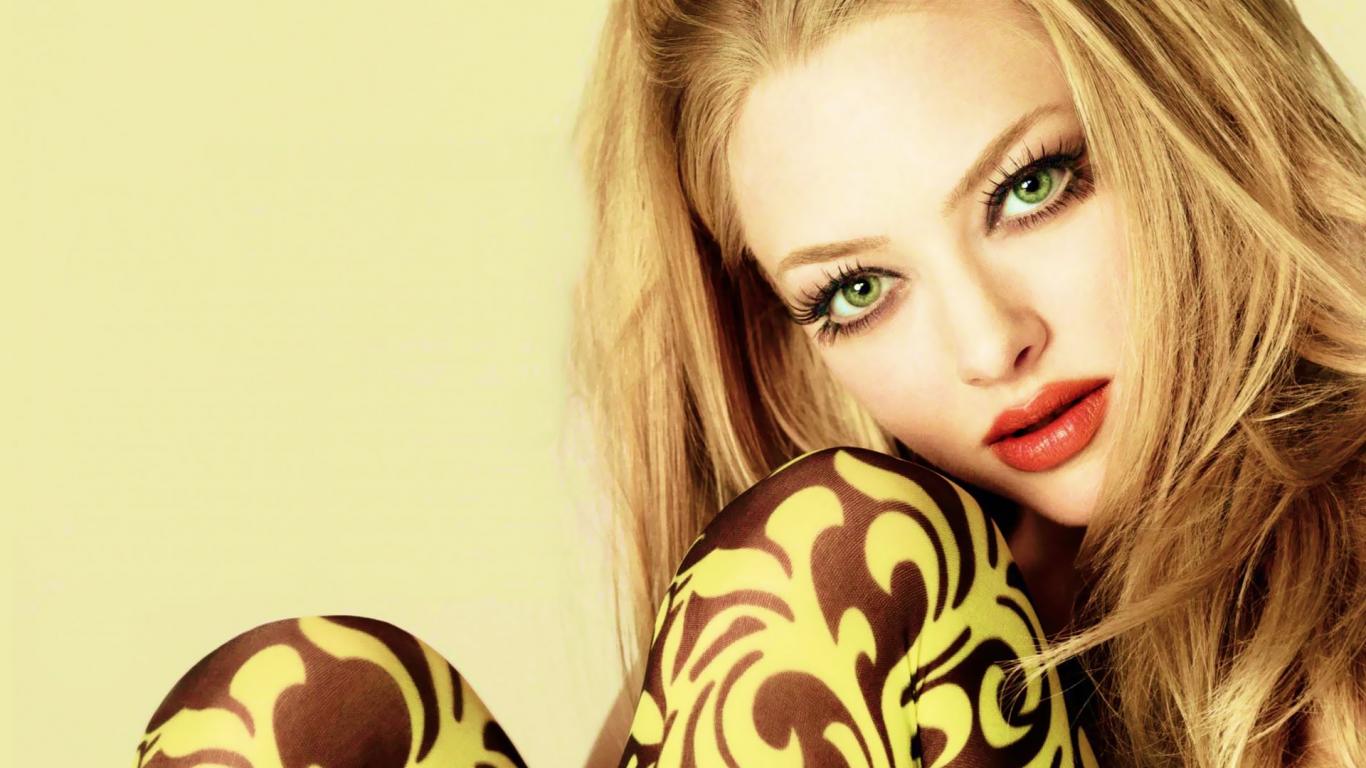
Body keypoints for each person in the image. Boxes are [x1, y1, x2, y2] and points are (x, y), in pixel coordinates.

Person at [132, 0, 1366, 766]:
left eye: (1032, 188)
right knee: (300, 713)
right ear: (784, 339)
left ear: (1187, 121)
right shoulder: (845, 630)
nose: (990, 345)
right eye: (857, 291)